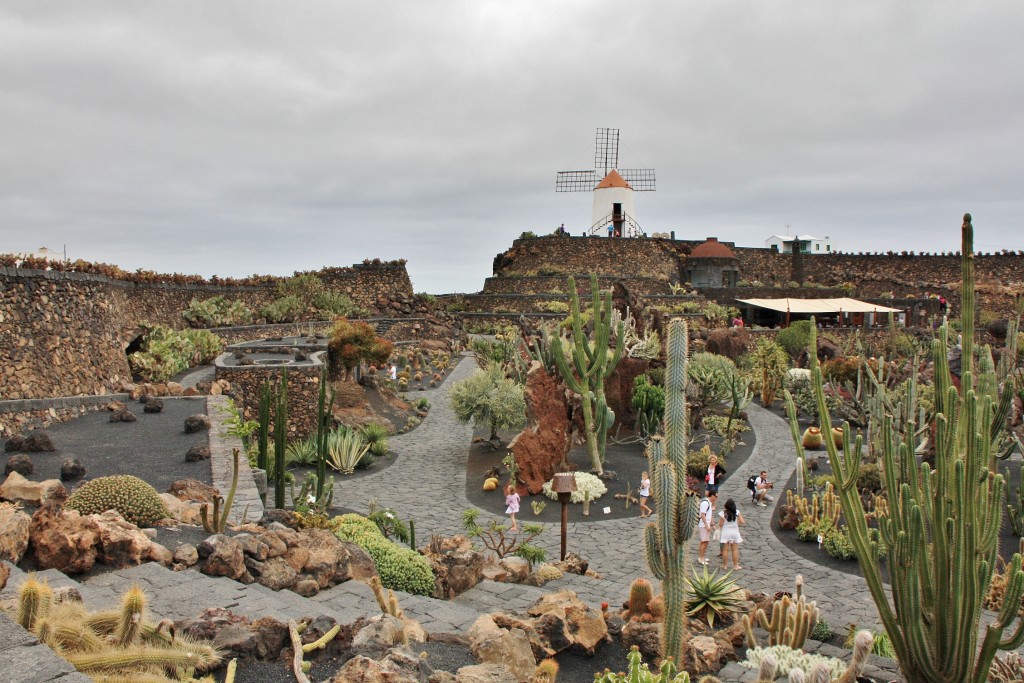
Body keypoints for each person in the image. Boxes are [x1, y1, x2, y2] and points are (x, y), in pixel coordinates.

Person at [718, 498, 745, 570]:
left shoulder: (723, 513)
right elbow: (742, 521)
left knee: (725, 550)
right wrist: (736, 523)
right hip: (734, 532)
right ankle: (736, 565)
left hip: (726, 533)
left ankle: (725, 565)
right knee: (735, 550)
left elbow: (720, 524)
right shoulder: (737, 512)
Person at [697, 490, 717, 565]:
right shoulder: (705, 503)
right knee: (705, 542)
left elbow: (710, 515)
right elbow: (702, 514)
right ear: (712, 495)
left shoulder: (709, 503)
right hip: (703, 525)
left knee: (704, 541)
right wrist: (706, 525)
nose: (716, 498)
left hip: (706, 525)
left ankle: (701, 556)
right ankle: (701, 558)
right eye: (716, 496)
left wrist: (713, 525)